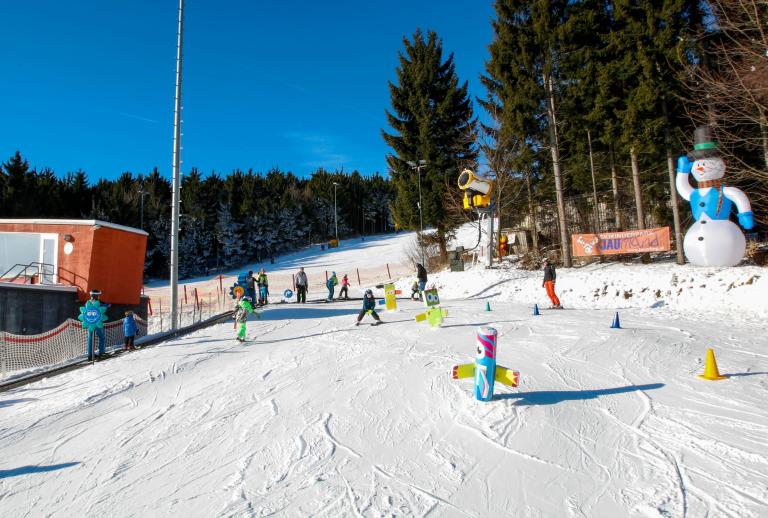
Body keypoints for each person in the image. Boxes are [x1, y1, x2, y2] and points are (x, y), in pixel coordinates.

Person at [88, 289, 107, 359]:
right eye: (98, 295)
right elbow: (105, 306)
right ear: (96, 295)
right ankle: (101, 353)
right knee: (101, 337)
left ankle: (90, 355)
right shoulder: (99, 303)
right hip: (97, 322)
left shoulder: (88, 303)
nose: (99, 296)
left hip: (90, 323)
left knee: (90, 339)